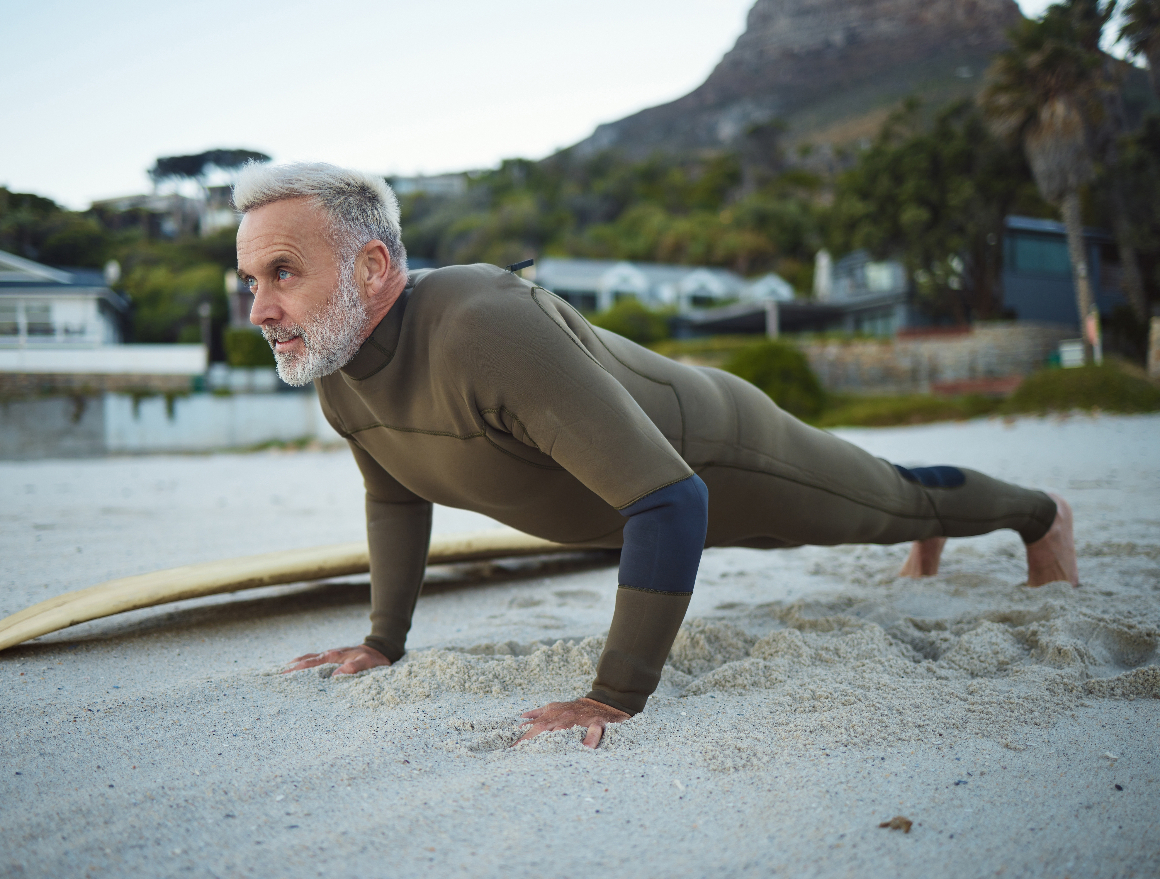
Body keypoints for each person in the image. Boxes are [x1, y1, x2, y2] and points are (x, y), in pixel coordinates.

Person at [234, 163, 1078, 748]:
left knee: (891, 502)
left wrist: (614, 695)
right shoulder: (337, 368)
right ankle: (917, 537)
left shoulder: (482, 325)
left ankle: (1039, 516)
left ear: (372, 266)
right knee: (875, 513)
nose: (260, 308)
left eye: (281, 273)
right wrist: (384, 640)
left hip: (722, 448)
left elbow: (671, 499)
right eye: (249, 281)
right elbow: (396, 498)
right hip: (653, 492)